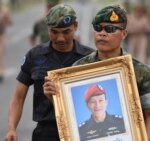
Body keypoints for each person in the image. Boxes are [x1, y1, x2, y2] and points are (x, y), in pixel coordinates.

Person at [43, 5, 150, 141]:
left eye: (110, 29)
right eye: (98, 28)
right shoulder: (78, 69)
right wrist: (54, 97)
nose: (102, 33)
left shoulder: (140, 71)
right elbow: (69, 115)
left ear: (124, 34)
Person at [4, 4, 94, 141]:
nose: (60, 38)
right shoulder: (35, 56)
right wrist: (11, 129)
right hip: (45, 132)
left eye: (66, 32)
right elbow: (18, 97)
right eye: (54, 32)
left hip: (81, 130)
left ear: (75, 26)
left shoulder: (89, 58)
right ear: (48, 29)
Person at [0, 0, 12, 82]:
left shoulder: (3, 11)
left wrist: (6, 17)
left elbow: (10, 23)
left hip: (1, 36)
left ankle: (1, 72)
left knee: (0, 53)